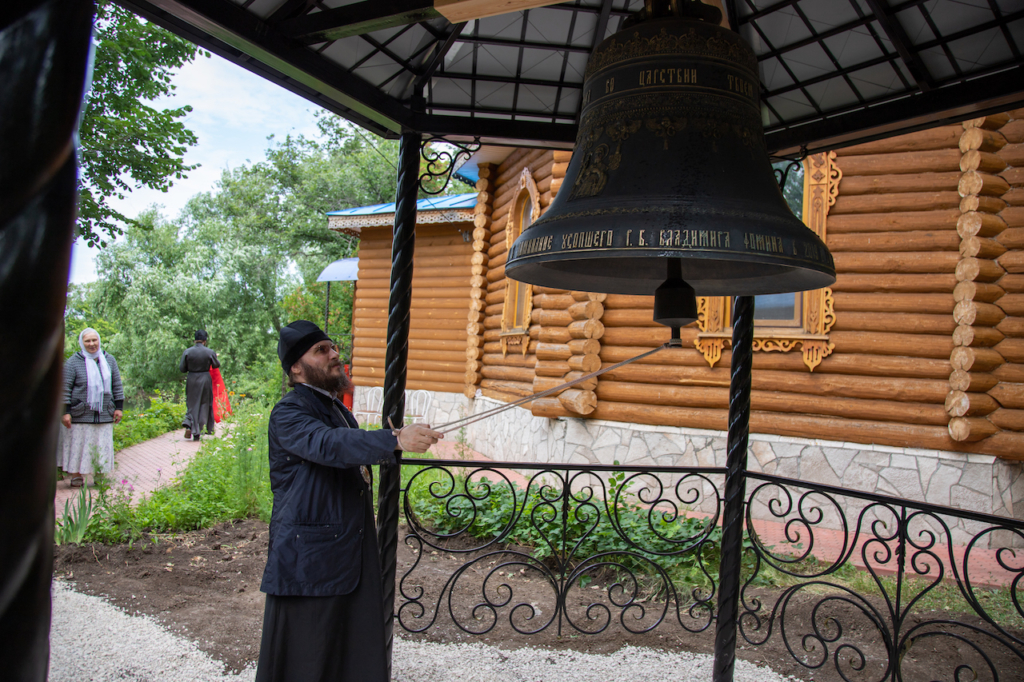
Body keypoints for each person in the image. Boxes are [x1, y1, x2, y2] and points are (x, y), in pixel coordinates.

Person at [255, 320, 442, 682]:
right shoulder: (290, 411)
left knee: (343, 649)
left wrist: (394, 440)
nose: (334, 354)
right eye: (321, 350)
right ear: (296, 366)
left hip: (341, 548)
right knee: (308, 655)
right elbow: (330, 445)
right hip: (308, 557)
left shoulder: (334, 406)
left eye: (333, 347)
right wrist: (394, 439)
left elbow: (344, 443)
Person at [60, 328, 124, 487]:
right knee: (78, 445)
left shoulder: (109, 360)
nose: (91, 344)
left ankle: (100, 475)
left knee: (101, 444)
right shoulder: (73, 362)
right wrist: (65, 411)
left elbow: (117, 385)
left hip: (104, 413)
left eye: (94, 340)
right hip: (80, 413)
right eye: (87, 341)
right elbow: (65, 387)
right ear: (82, 343)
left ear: (99, 341)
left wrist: (119, 407)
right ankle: (76, 475)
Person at [179, 329, 219, 440]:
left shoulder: (187, 352)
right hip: (205, 378)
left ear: (195, 340)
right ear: (205, 340)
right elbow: (216, 365)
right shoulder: (209, 352)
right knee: (204, 403)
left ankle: (189, 424)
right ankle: (200, 429)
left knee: (192, 403)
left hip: (192, 378)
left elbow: (182, 369)